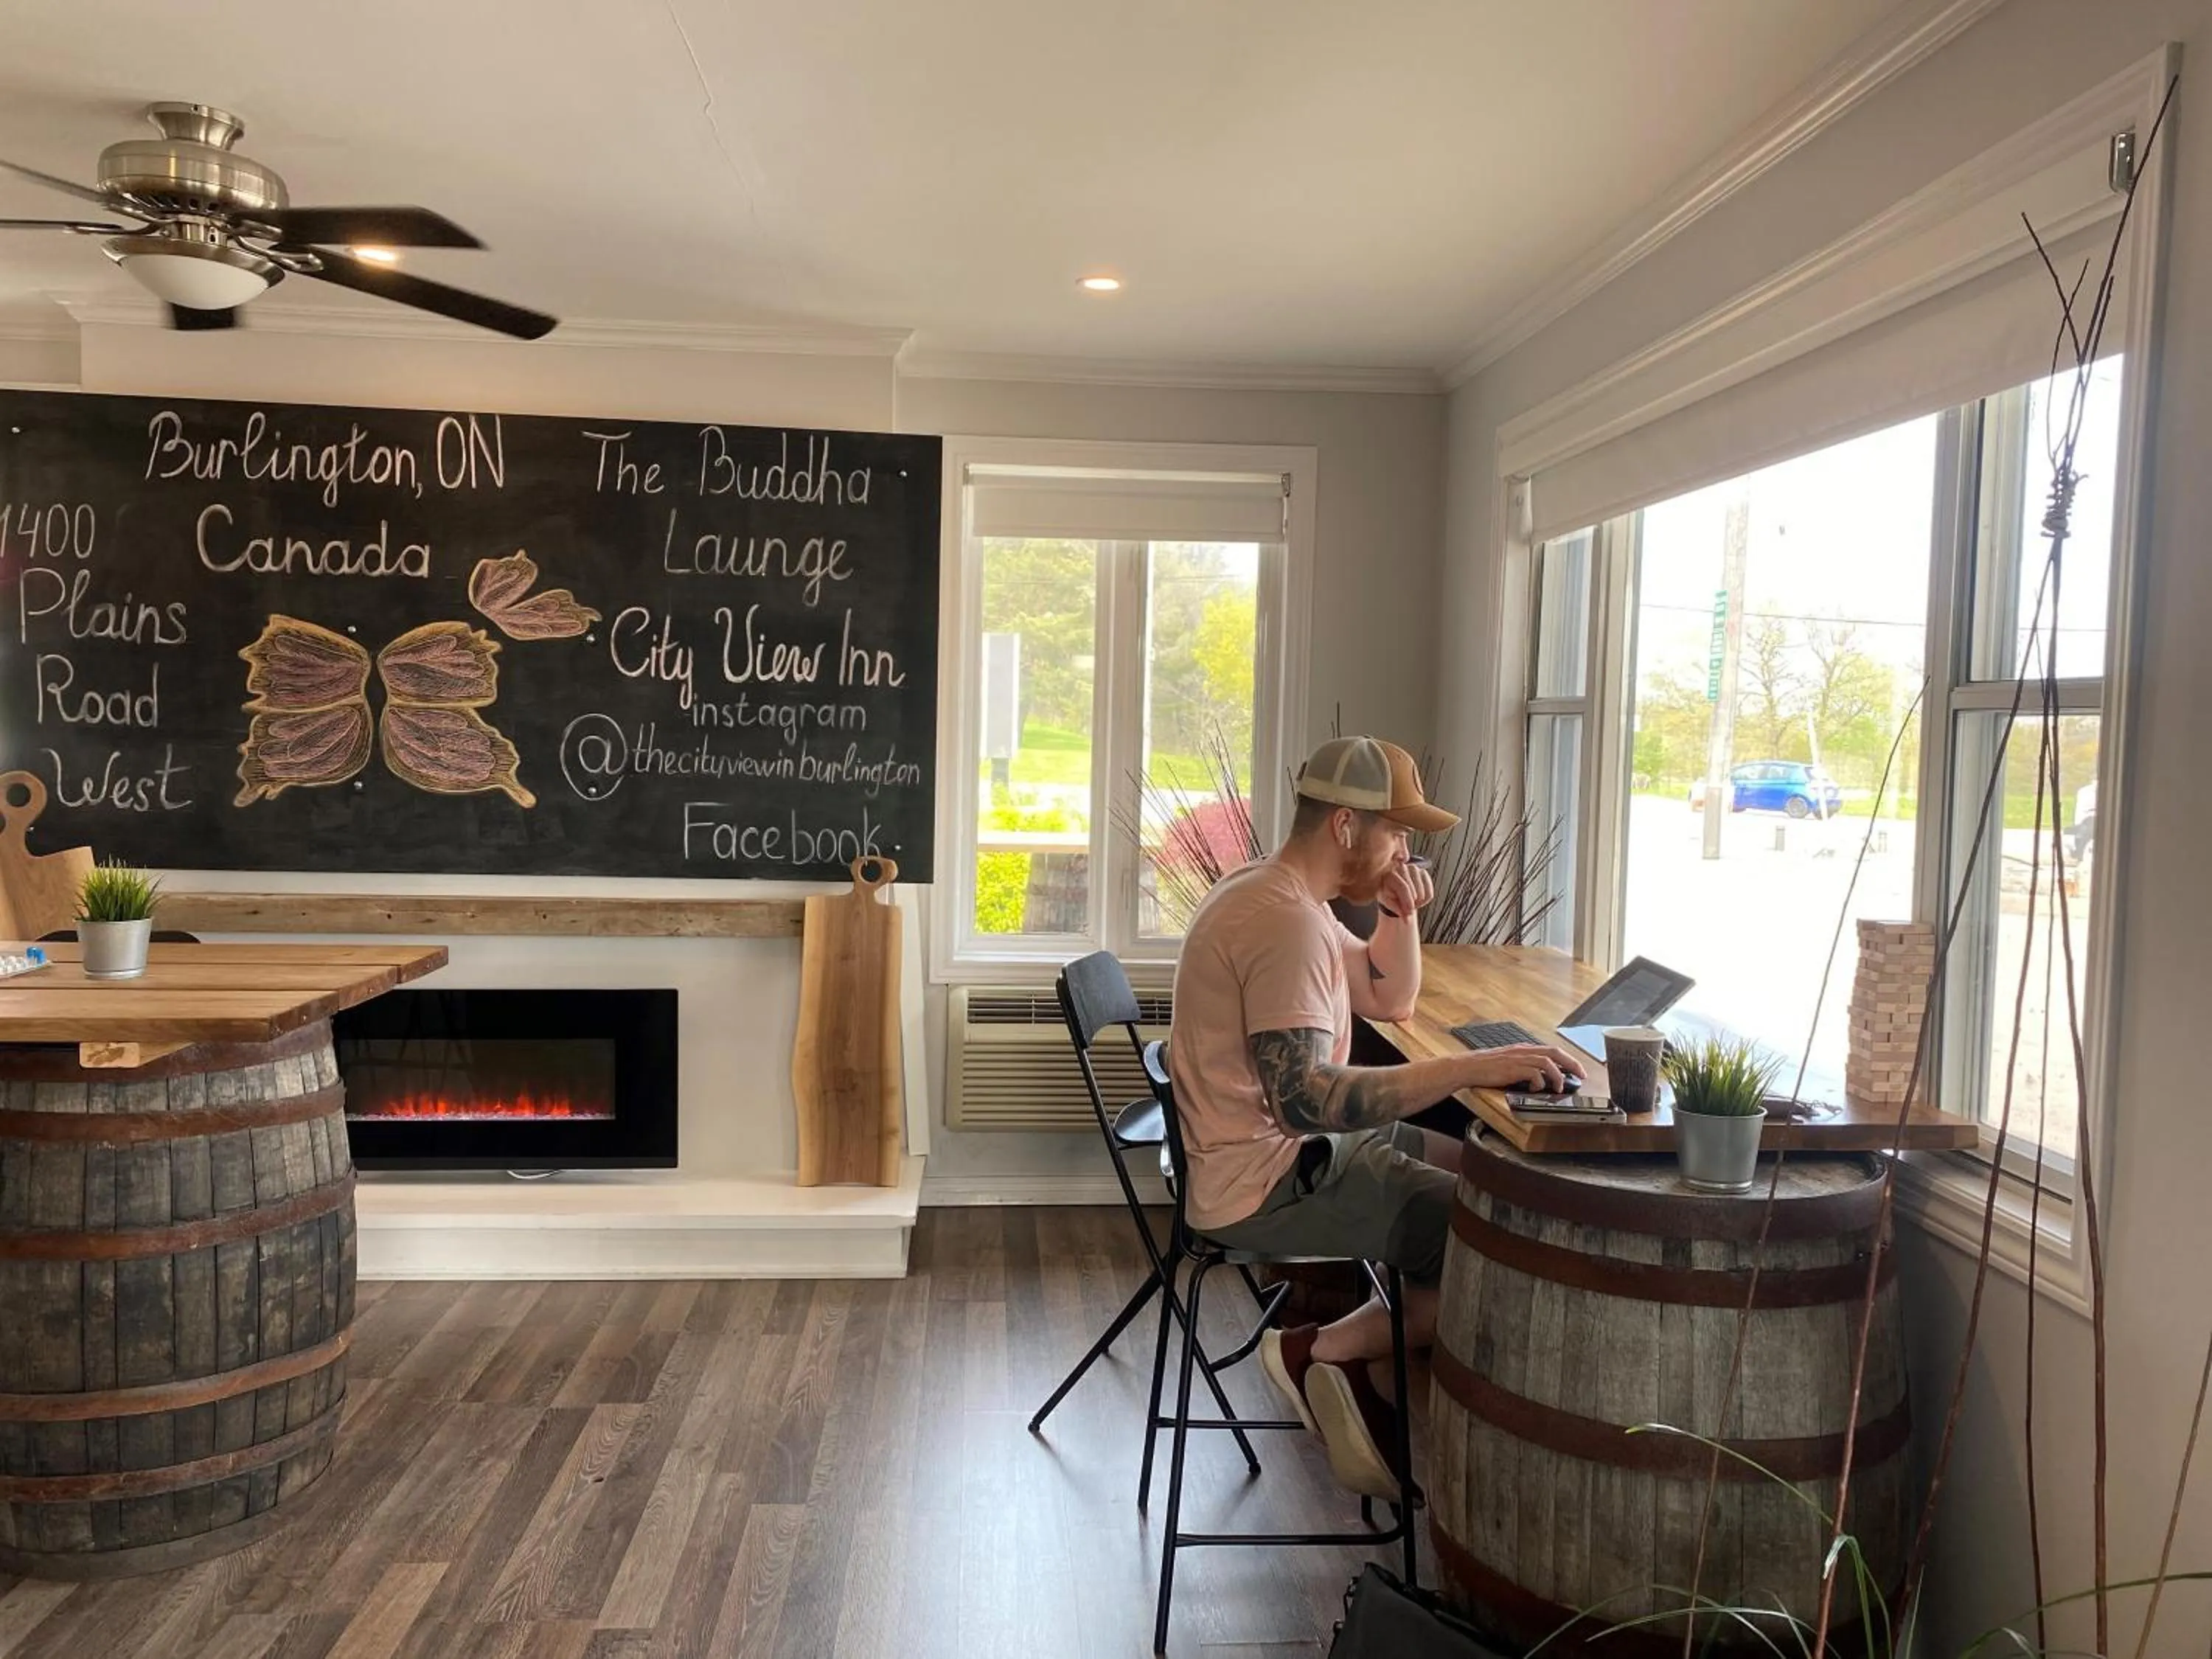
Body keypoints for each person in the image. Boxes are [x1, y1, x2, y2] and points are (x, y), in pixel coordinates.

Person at [1166, 734, 1583, 1498]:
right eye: (1394, 831)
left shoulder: (1293, 899)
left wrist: (1399, 913)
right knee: (1500, 1244)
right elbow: (1303, 1101)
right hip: (1269, 1181)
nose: (1404, 848)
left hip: (1292, 1153)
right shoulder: (1282, 921)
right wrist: (1474, 1068)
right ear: (1345, 827)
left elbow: (1392, 1000)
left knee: (1490, 1172)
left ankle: (1354, 1362)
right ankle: (1320, 1351)